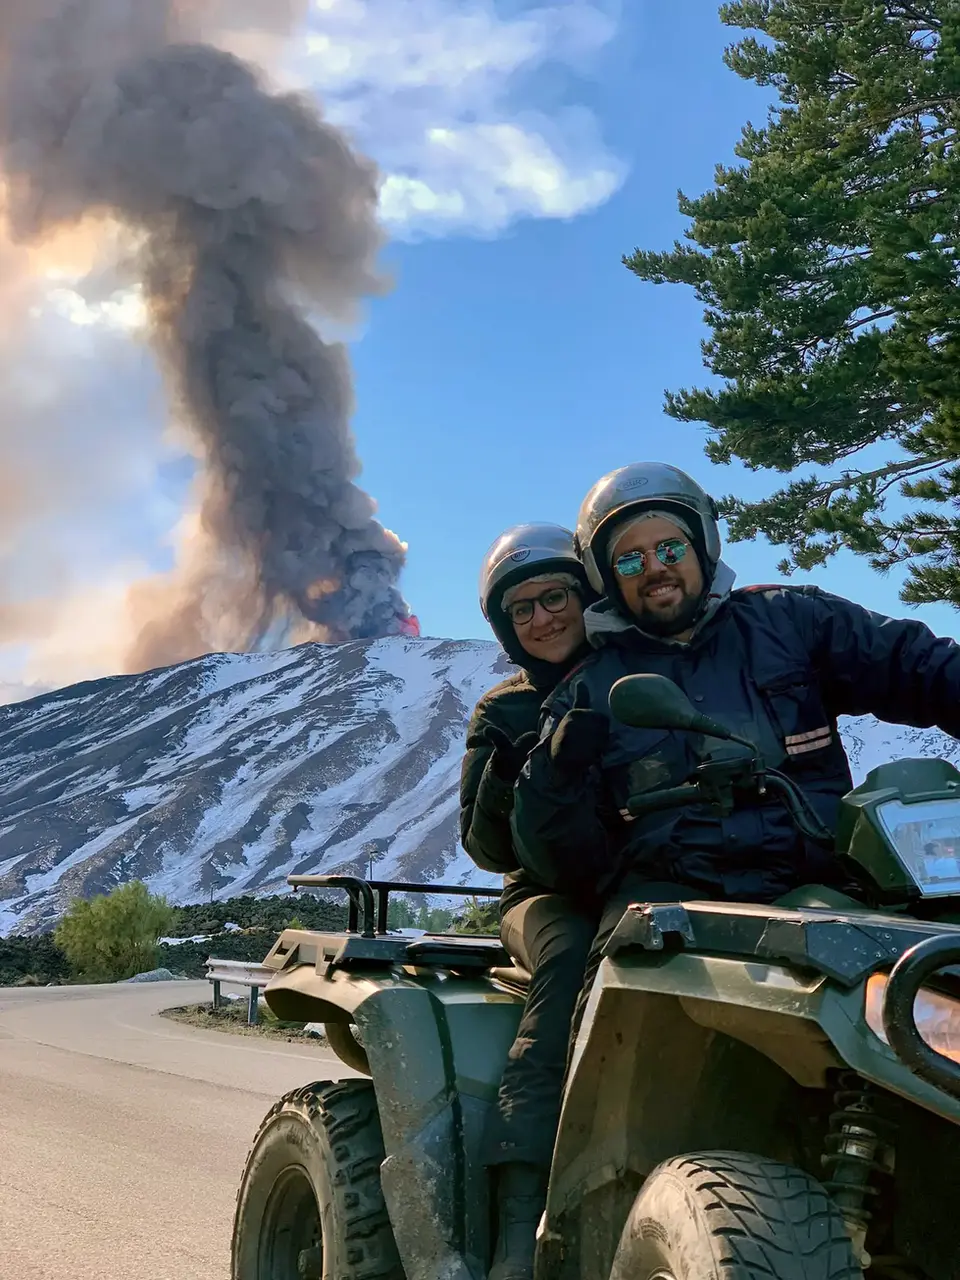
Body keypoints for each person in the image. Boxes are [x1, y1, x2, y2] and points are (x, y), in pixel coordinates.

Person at [511, 460, 960, 1035]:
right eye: (630, 559)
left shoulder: (789, 620)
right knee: (618, 1029)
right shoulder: (587, 690)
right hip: (667, 903)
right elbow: (556, 862)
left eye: (669, 548)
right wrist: (554, 775)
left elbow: (914, 663)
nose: (654, 569)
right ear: (607, 577)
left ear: (701, 545)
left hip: (818, 883)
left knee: (917, 987)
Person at [459, 522, 598, 1280]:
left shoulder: (633, 676)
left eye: (556, 597)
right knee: (570, 956)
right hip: (541, 896)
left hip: (641, 880)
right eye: (523, 609)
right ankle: (520, 1217)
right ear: (505, 627)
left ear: (586, 597)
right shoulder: (503, 710)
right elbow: (486, 850)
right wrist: (514, 774)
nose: (543, 618)